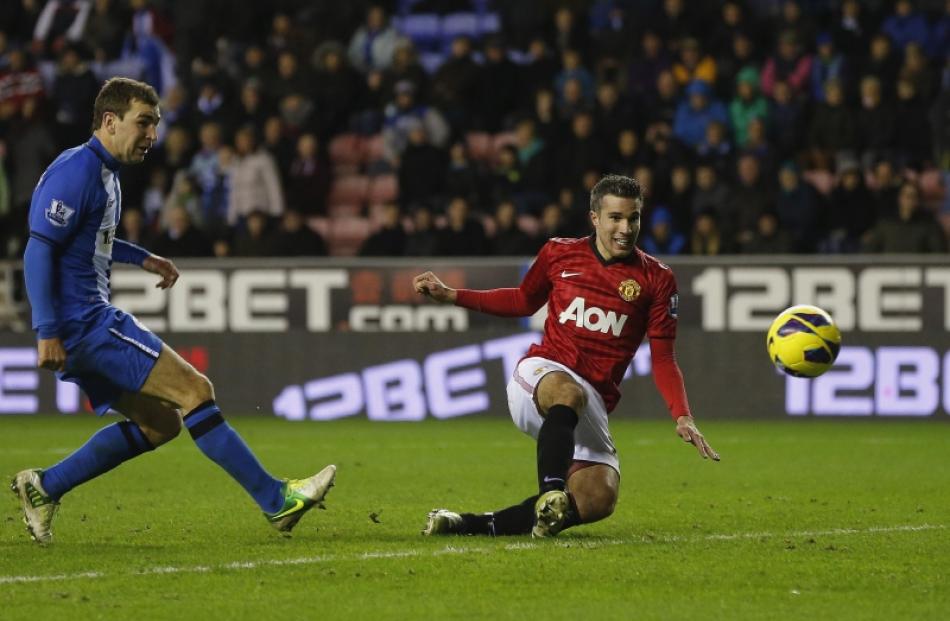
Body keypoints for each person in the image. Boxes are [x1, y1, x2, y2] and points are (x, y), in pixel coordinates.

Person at [12, 78, 335, 545]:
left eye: (156, 125)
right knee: (194, 389)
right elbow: (39, 249)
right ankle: (276, 500)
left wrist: (142, 257)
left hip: (79, 327)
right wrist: (47, 330)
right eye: (143, 123)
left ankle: (44, 487)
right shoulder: (77, 172)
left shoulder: (101, 174)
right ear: (109, 121)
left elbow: (90, 242)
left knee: (159, 424)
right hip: (85, 323)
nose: (152, 135)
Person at [412, 174, 719, 539]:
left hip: (592, 399)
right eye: (615, 218)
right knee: (566, 392)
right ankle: (551, 489)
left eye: (633, 218)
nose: (625, 228)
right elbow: (522, 301)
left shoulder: (657, 279)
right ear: (595, 218)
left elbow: (664, 357)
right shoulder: (559, 253)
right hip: (542, 375)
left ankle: (468, 524)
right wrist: (453, 295)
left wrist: (682, 415)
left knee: (597, 498)